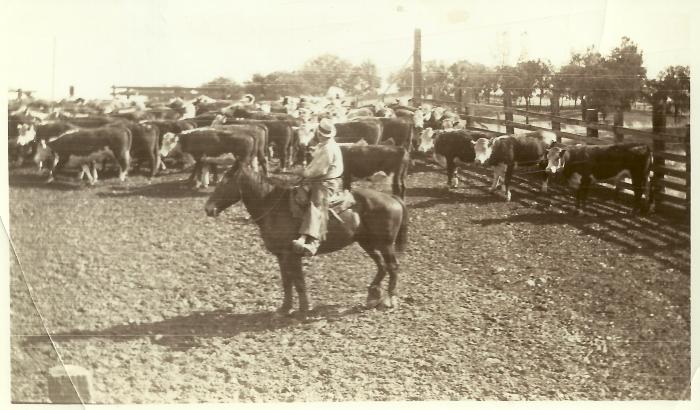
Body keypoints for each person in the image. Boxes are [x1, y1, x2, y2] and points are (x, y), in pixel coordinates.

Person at [292, 118, 344, 256]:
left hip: (326, 182)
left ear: (319, 133)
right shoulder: (324, 145)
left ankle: (311, 241)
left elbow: (318, 171)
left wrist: (302, 172)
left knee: (316, 204)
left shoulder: (327, 149)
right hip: (321, 179)